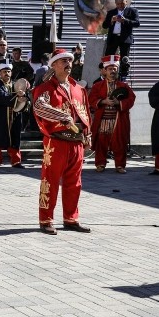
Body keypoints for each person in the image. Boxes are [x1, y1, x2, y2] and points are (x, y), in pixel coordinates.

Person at [31, 49, 93, 235]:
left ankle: (71, 218)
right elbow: (39, 107)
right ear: (54, 65)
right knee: (50, 180)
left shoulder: (78, 88)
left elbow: (86, 113)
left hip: (76, 143)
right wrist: (62, 116)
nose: (68, 64)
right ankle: (46, 219)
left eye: (70, 60)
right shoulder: (46, 88)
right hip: (56, 142)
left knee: (74, 182)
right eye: (63, 61)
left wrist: (87, 135)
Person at [87, 54, 136, 173]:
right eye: (110, 69)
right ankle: (100, 163)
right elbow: (91, 99)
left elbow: (131, 99)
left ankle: (120, 165)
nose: (113, 71)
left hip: (118, 119)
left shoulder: (123, 86)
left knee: (119, 142)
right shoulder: (97, 86)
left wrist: (118, 103)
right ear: (105, 70)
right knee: (101, 142)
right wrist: (104, 101)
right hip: (103, 119)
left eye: (115, 69)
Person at [0, 59, 25, 168]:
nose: (7, 73)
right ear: (0, 73)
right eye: (4, 71)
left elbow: (24, 99)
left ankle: (16, 161)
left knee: (15, 138)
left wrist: (24, 95)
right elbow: (1, 98)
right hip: (0, 117)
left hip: (14, 116)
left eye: (9, 71)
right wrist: (17, 96)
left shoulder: (16, 84)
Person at [104, 0, 139, 78]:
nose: (120, 5)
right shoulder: (111, 12)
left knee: (124, 58)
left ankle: (123, 76)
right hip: (113, 38)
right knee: (109, 56)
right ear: (116, 3)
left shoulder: (132, 11)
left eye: (122, 3)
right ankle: (107, 74)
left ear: (126, 2)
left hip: (125, 38)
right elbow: (104, 25)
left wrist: (124, 20)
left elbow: (137, 23)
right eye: (118, 4)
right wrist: (111, 21)